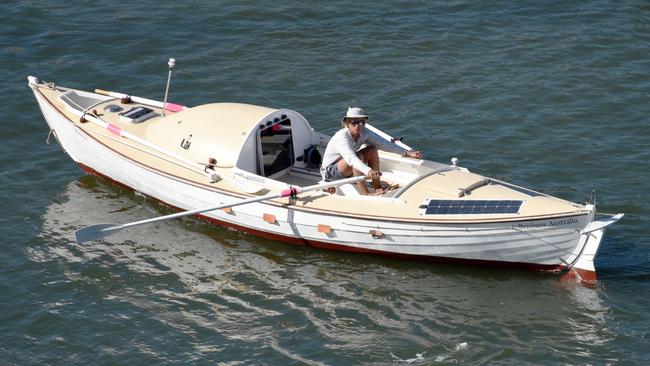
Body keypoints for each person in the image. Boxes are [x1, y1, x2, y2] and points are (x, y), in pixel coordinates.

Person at [320, 107, 422, 195]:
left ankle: (377, 186)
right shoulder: (342, 137)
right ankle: (365, 193)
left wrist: (406, 152)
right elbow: (351, 159)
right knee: (358, 158)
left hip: (347, 167)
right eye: (354, 123)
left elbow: (384, 144)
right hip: (330, 172)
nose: (358, 126)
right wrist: (368, 171)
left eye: (361, 123)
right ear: (347, 124)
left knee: (372, 149)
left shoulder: (364, 132)